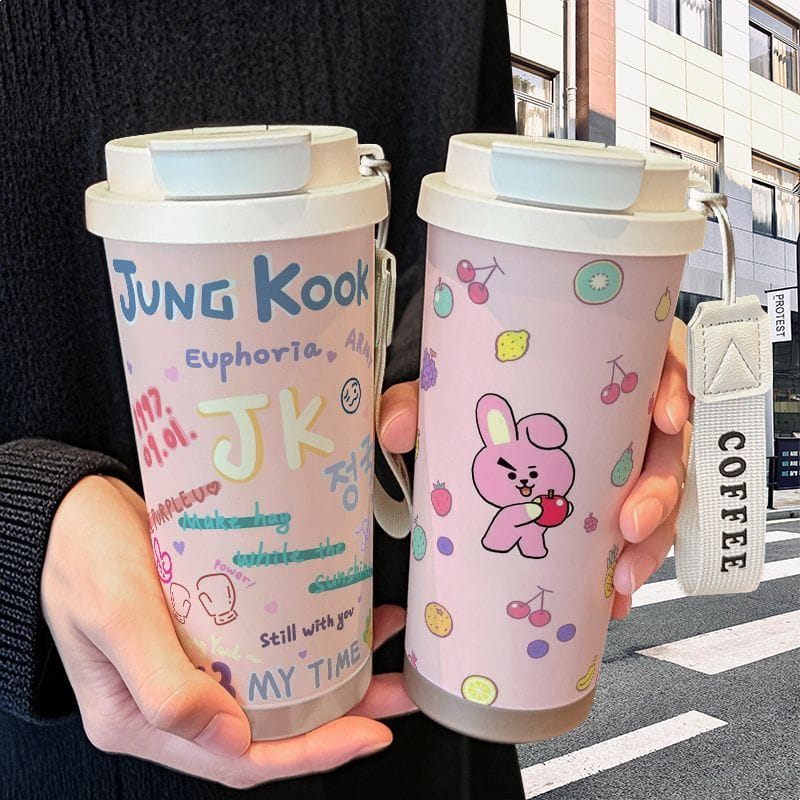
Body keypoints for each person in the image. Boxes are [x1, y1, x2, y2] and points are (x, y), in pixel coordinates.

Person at [0, 2, 690, 798]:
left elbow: (482, 239)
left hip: (432, 713)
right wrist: (26, 525)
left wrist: (618, 349)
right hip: (75, 751)